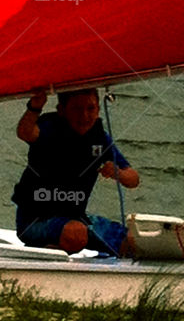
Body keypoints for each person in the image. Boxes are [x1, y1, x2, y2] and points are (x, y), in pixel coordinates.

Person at [12, 87, 140, 256]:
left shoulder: (99, 138)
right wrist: (35, 107)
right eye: (77, 109)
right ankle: (47, 254)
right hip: (35, 222)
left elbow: (133, 179)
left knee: (133, 242)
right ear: (62, 111)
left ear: (98, 110)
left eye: (90, 109)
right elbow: (25, 132)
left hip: (76, 218)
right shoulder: (50, 128)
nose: (84, 116)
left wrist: (118, 173)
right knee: (76, 233)